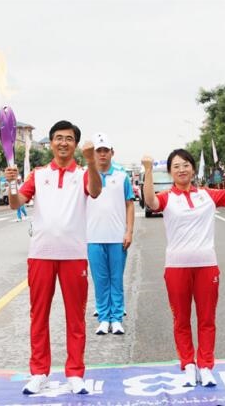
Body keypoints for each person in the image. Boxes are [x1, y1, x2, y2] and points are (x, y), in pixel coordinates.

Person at [142, 149, 225, 388]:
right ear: (170, 172)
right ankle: (188, 365)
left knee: (207, 319)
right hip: (177, 267)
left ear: (193, 169)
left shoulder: (206, 195)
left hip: (206, 265)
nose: (181, 170)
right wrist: (148, 171)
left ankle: (205, 366)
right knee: (181, 319)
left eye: (185, 165)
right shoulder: (167, 198)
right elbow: (150, 201)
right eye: (176, 166)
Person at [5, 120, 102, 395]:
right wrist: (11, 184)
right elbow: (15, 203)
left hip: (74, 256)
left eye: (68, 138)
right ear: (50, 143)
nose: (63, 143)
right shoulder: (38, 174)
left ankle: (75, 373)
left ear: (75, 144)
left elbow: (95, 191)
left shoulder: (83, 174)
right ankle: (39, 373)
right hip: (41, 255)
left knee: (76, 317)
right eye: (58, 138)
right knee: (39, 316)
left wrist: (91, 162)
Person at [86, 133, 135, 335]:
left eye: (106, 150)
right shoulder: (86, 176)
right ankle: (104, 319)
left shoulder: (122, 177)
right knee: (100, 281)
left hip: (117, 238)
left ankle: (116, 319)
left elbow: (129, 204)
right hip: (94, 237)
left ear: (112, 152)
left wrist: (129, 231)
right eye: (99, 151)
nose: (102, 154)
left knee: (116, 279)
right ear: (93, 154)